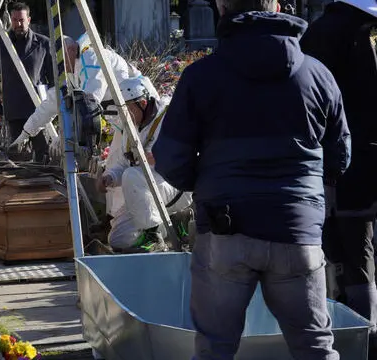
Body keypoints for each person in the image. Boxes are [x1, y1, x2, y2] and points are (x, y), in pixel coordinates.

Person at [153, 2, 351, 358]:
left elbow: (170, 159)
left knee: (215, 348)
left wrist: (207, 182)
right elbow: (341, 157)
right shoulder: (318, 75)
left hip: (225, 228)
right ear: (276, 6)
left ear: (222, 7)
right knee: (316, 347)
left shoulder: (201, 76)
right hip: (297, 231)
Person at [11, 33, 157, 233]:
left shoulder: (92, 58)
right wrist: (26, 133)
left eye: (61, 60)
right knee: (115, 168)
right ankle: (114, 220)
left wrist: (63, 134)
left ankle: (143, 226)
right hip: (125, 121)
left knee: (130, 168)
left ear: (70, 51)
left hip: (142, 115)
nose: (60, 66)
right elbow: (52, 103)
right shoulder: (75, 68)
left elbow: (89, 103)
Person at [300, 0, 377, 353]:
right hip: (360, 161)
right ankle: (366, 333)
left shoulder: (320, 34)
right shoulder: (360, 38)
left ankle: (349, 327)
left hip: (327, 162)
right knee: (358, 250)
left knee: (334, 248)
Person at [97, 77, 192, 252]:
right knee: (118, 239)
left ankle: (154, 236)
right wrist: (109, 177)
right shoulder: (131, 127)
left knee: (132, 175)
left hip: (174, 185)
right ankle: (176, 222)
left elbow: (192, 150)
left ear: (142, 103)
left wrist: (163, 156)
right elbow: (124, 161)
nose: (125, 114)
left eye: (128, 109)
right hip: (145, 192)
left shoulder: (171, 116)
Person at [0, 2, 53, 161]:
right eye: (15, 20)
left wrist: (54, 106)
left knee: (43, 155)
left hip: (39, 110)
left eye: (21, 20)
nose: (18, 24)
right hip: (14, 110)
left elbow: (53, 79)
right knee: (18, 156)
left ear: (29, 20)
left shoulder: (43, 44)